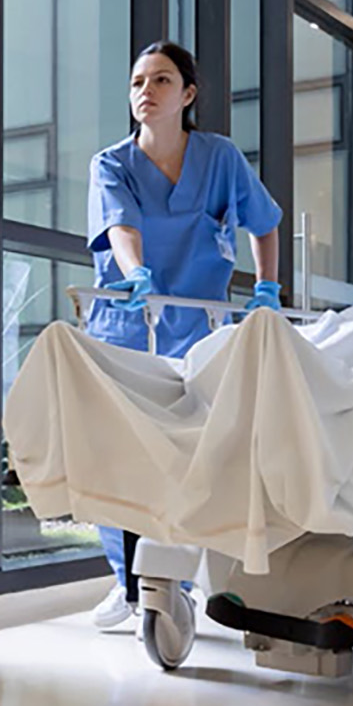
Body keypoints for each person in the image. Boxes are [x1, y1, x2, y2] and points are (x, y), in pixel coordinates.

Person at [84, 41, 283, 631]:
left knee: (196, 454)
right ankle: (128, 580)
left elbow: (265, 223)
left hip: (199, 329)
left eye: (162, 80)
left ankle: (186, 572)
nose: (146, 91)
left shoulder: (220, 158)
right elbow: (122, 226)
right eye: (137, 81)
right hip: (128, 323)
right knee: (119, 453)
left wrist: (267, 290)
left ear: (188, 95)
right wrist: (135, 273)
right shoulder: (112, 163)